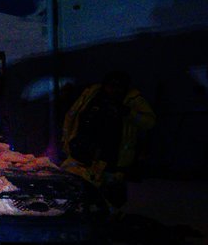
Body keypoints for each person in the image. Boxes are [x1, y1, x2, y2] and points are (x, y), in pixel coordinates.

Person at [61, 70, 156, 208]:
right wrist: (67, 141)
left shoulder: (133, 100)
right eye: (111, 85)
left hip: (112, 160)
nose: (114, 90)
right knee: (77, 192)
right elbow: (72, 115)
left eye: (119, 86)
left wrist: (128, 112)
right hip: (82, 155)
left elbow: (149, 122)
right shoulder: (91, 94)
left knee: (111, 198)